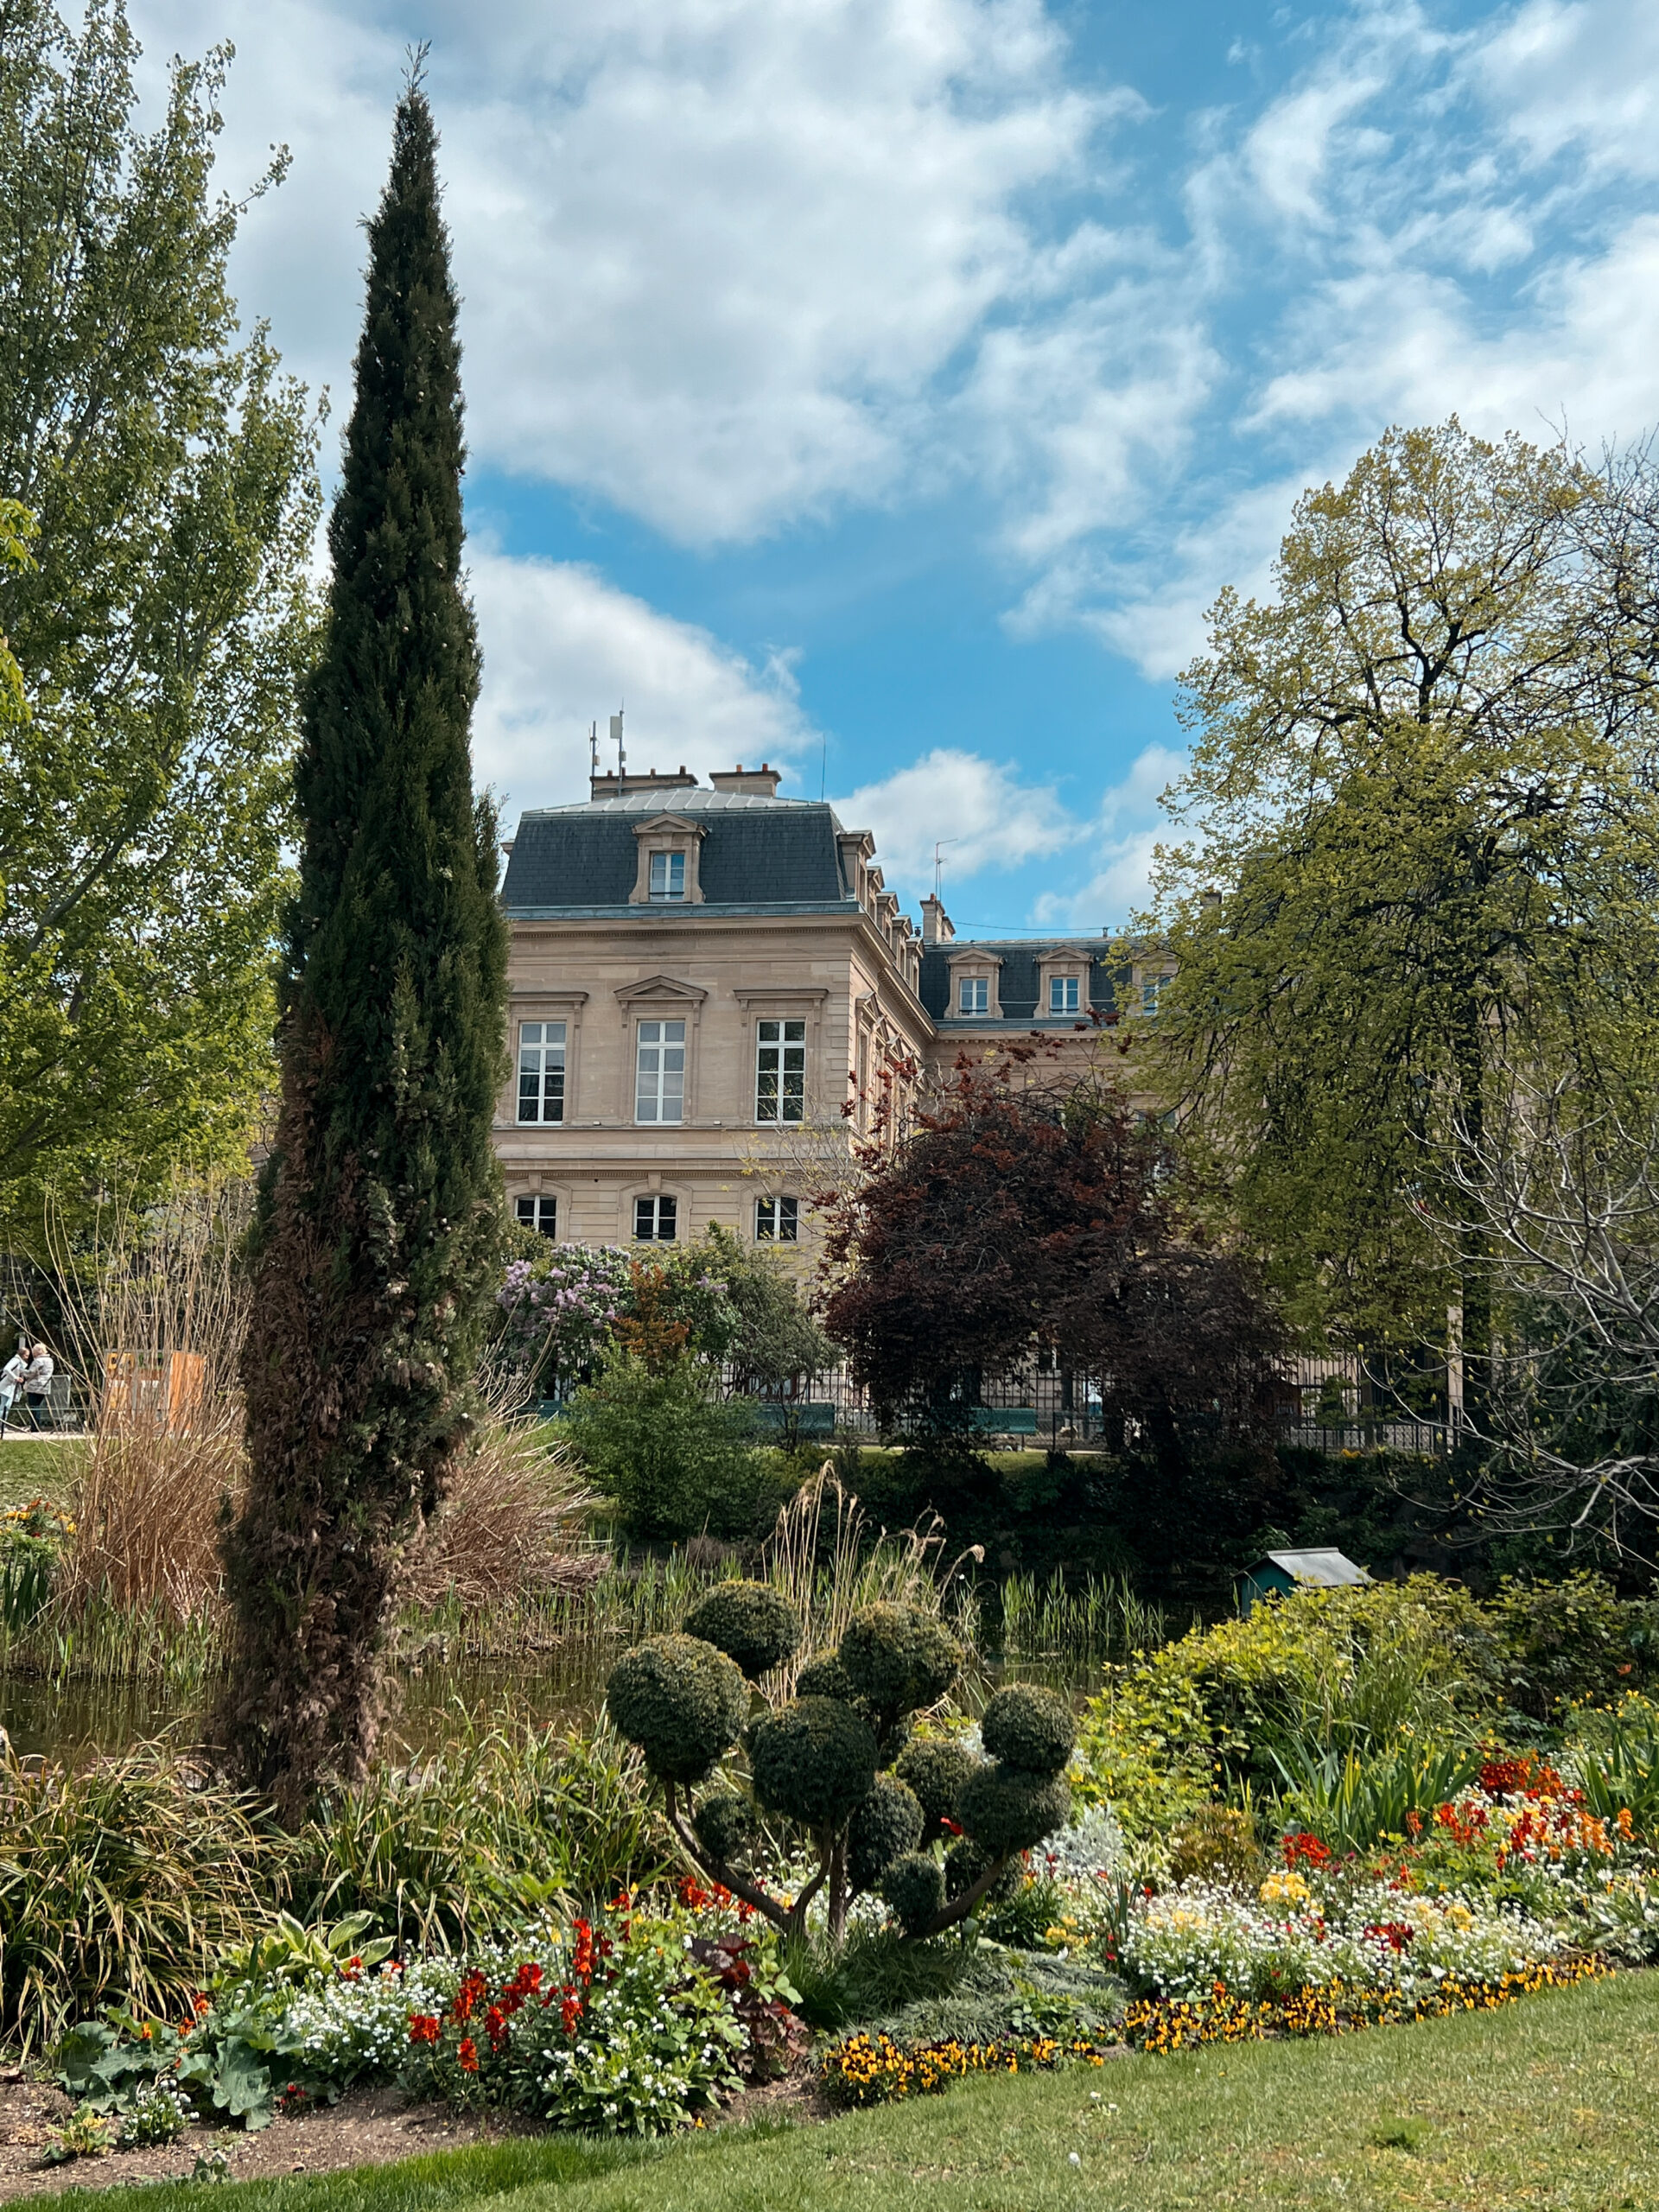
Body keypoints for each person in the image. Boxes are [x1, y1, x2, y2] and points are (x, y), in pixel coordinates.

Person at [21, 1342, 54, 1430]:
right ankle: (36, 1426)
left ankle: (34, 1427)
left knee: (34, 1407)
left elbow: (31, 1373)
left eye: (34, 1351)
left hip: (35, 1386)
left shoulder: (38, 1361)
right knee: (37, 1406)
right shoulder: (50, 1360)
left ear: (37, 1352)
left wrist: (21, 1371)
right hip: (45, 1386)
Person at [0, 1344, 25, 1430]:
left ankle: (2, 1425)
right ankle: (1, 1425)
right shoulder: (16, 1360)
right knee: (4, 1406)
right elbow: (7, 1369)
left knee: (6, 1406)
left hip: (10, 1386)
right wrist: (15, 1377)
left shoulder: (19, 1361)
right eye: (26, 1355)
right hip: (7, 1386)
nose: (27, 1357)